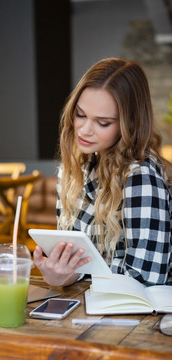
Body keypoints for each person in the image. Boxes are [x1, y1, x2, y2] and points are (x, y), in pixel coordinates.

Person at [33, 57, 172, 287]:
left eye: (103, 123)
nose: (85, 130)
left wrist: (81, 269)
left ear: (129, 125)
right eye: (80, 114)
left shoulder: (140, 177)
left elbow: (146, 280)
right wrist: (58, 273)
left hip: (138, 318)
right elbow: (73, 263)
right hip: (91, 306)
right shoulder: (72, 170)